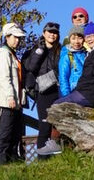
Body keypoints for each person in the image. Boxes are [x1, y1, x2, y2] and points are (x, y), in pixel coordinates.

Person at [0, 22, 25, 165]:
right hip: (6, 102)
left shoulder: (12, 54)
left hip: (13, 101)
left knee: (13, 134)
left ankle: (9, 163)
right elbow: (5, 77)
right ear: (7, 37)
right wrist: (10, 96)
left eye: (19, 38)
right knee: (4, 133)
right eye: (14, 37)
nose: (17, 40)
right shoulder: (3, 54)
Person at [24, 22, 62, 156]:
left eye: (55, 32)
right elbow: (30, 68)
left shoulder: (60, 50)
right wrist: (40, 51)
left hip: (58, 91)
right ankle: (42, 156)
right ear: (43, 33)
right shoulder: (35, 50)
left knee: (59, 124)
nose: (52, 34)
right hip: (43, 92)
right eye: (49, 31)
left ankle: (58, 155)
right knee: (44, 126)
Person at [58, 26, 87, 96]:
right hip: (73, 92)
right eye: (73, 38)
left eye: (80, 38)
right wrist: (66, 97)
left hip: (86, 92)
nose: (76, 42)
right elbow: (63, 78)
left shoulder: (87, 54)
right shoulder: (66, 56)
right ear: (69, 40)